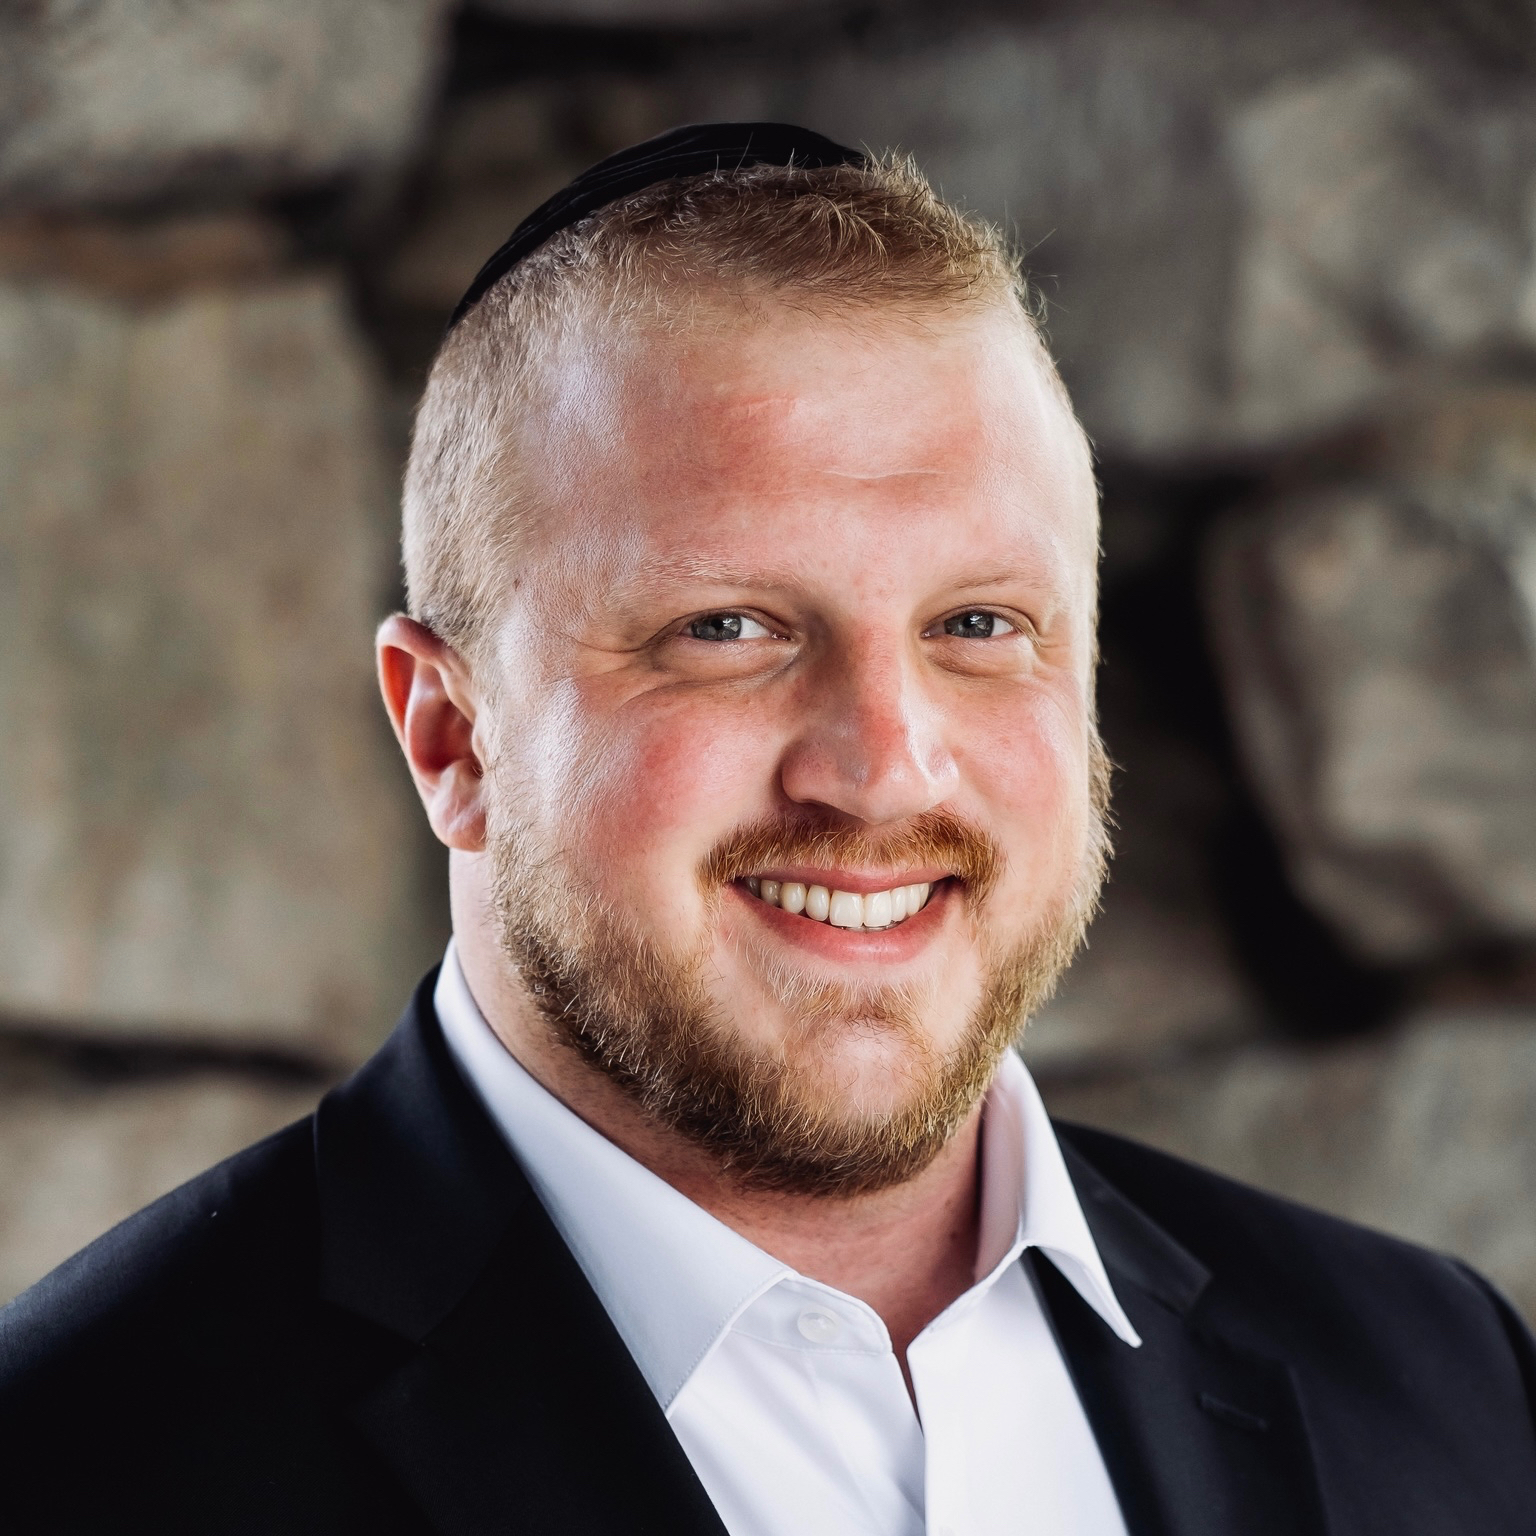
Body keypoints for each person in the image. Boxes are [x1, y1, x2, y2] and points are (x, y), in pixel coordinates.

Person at [1, 123, 1533, 1536]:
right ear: (451, 737)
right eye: (726, 628)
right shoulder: (80, 1466)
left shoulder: (1443, 1382)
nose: (884, 773)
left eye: (978, 624)